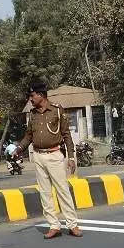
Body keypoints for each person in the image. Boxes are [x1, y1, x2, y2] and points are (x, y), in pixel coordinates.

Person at [20, 81, 82, 239]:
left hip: (55, 155)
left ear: (41, 95)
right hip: (38, 156)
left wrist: (71, 157)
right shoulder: (33, 114)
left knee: (62, 190)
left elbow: (66, 135)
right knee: (45, 193)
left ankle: (72, 224)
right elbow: (29, 135)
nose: (30, 99)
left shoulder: (57, 110)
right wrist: (19, 148)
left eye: (32, 96)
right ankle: (54, 226)